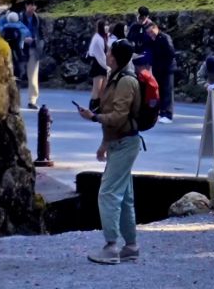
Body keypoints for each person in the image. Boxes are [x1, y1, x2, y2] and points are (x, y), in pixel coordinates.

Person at [79, 39, 144, 264]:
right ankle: (131, 246)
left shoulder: (125, 81)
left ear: (115, 58)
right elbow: (114, 117)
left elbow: (118, 117)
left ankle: (111, 246)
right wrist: (105, 143)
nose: (106, 54)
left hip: (125, 143)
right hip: (120, 142)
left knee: (108, 193)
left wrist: (93, 117)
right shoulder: (116, 77)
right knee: (124, 196)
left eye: (109, 52)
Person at [136, 20, 175, 121]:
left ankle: (168, 114)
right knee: (159, 90)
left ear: (156, 28)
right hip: (157, 68)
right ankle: (162, 112)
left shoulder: (165, 38)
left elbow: (171, 53)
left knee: (167, 91)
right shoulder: (151, 40)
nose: (150, 34)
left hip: (167, 68)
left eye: (151, 31)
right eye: (148, 33)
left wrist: (163, 64)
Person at [22, 1, 45, 108]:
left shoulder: (38, 19)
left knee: (33, 75)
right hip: (21, 49)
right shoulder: (20, 18)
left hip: (33, 49)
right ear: (26, 6)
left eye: (34, 5)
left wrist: (38, 43)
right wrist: (23, 40)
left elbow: (42, 35)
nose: (32, 7)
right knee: (16, 75)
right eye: (30, 5)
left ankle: (32, 100)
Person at [86, 20, 113, 111]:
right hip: (98, 65)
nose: (107, 27)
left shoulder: (106, 37)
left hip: (105, 64)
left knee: (103, 89)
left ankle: (100, 107)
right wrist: (108, 67)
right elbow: (100, 56)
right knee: (97, 89)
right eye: (105, 25)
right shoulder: (97, 38)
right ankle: (93, 108)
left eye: (108, 25)